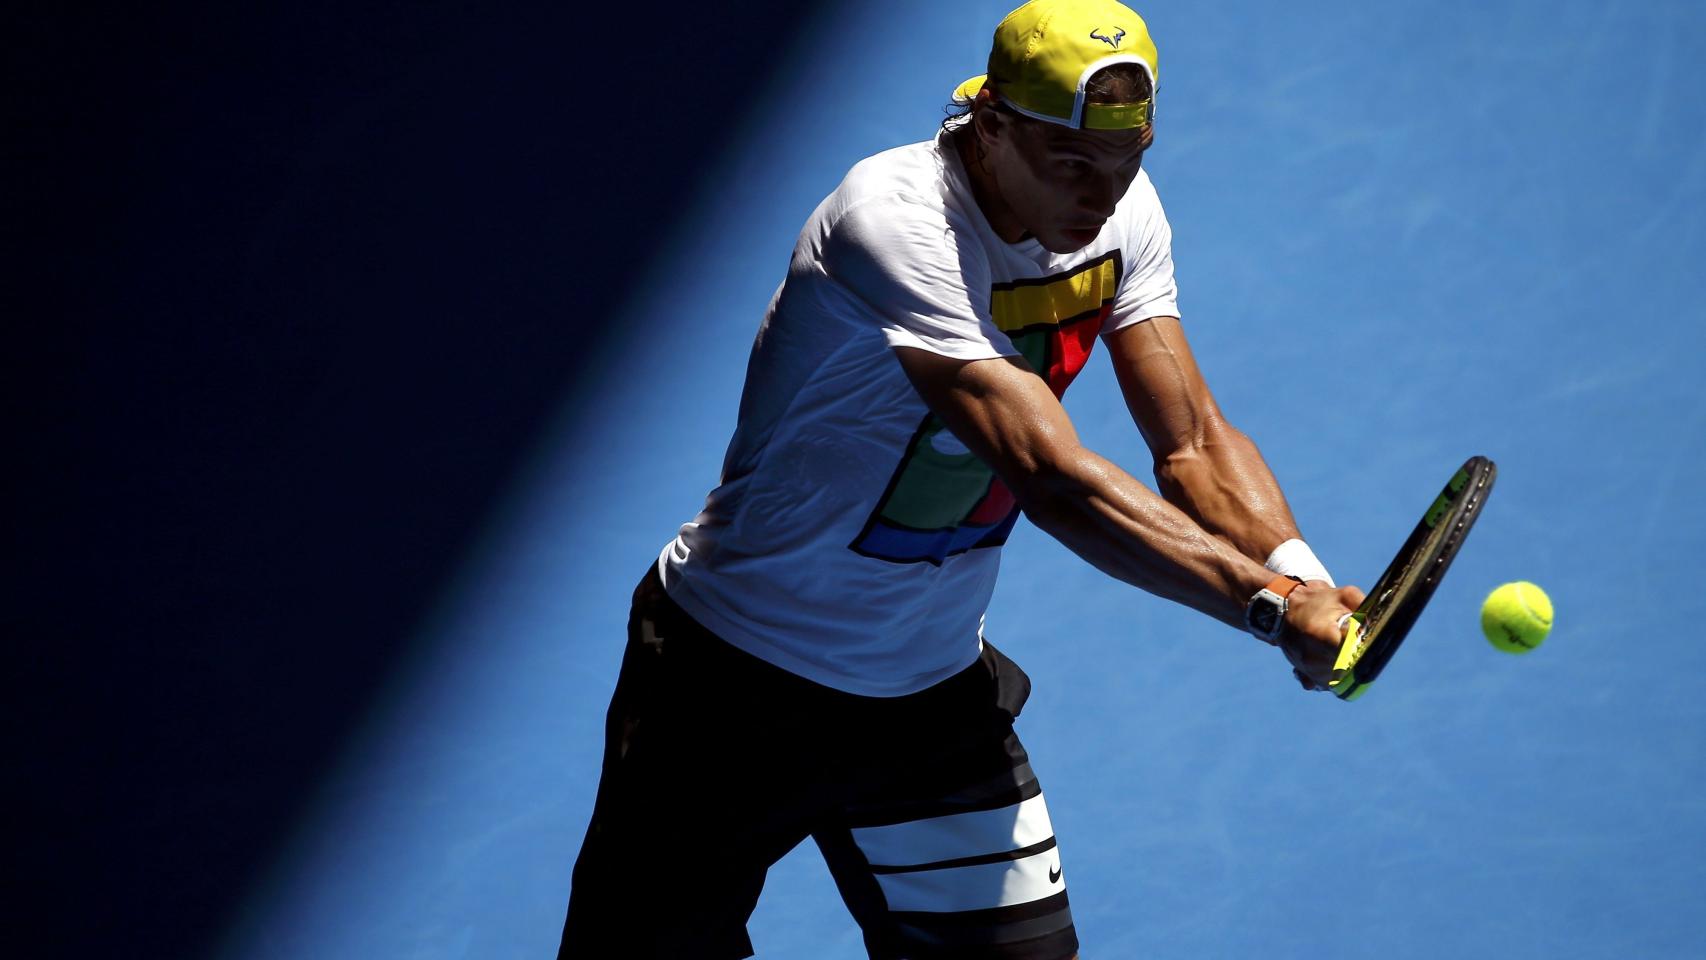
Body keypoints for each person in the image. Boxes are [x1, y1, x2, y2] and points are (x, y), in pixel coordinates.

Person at [558, 1, 1365, 957]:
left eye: (1126, 159)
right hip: (730, 685)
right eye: (1072, 161)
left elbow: (1192, 438)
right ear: (991, 125)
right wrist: (1269, 606)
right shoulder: (896, 219)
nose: (1103, 191)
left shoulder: (1121, 210)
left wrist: (1304, 580)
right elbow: (1049, 476)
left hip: (930, 698)